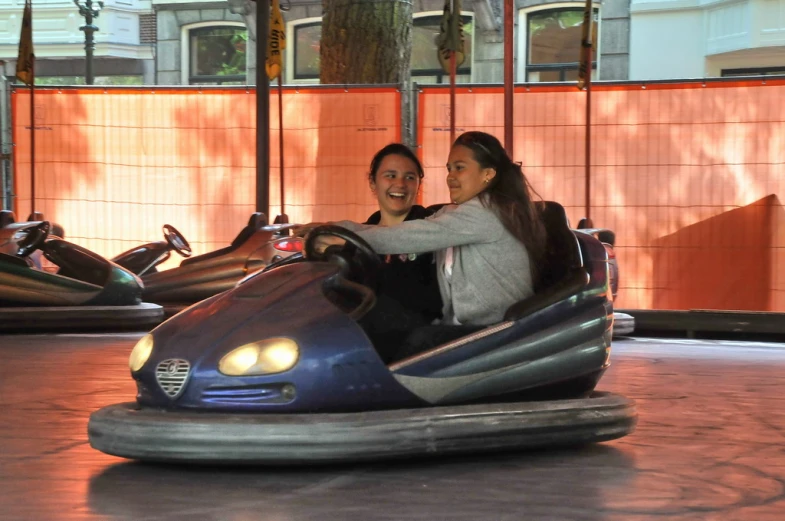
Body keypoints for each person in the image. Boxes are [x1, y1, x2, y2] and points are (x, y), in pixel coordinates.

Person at [317, 131, 548, 361]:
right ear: (373, 182)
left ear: (487, 174)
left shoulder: (487, 213)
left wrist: (343, 233)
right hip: (468, 325)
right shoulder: (458, 213)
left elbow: (409, 236)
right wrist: (335, 228)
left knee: (415, 341)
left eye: (460, 168)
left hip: (496, 329)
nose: (450, 177)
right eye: (449, 169)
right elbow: (410, 230)